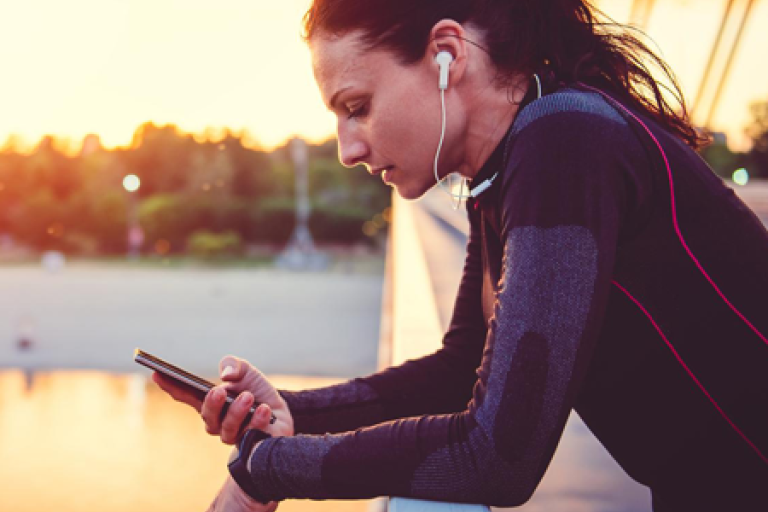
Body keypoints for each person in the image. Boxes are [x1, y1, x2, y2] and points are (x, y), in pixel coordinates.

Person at [154, 1, 768, 510]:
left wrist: (271, 469)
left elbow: (499, 456)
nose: (345, 147)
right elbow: (460, 370)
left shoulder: (564, 142)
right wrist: (293, 413)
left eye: (357, 106)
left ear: (447, 54)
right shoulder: (506, 169)